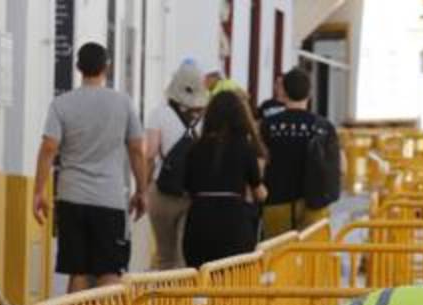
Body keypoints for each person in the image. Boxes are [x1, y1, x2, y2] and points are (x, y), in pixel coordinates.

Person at [34, 42, 146, 293]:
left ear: (78, 67)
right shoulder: (123, 103)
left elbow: (49, 147)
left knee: (78, 270)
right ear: (107, 67)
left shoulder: (61, 104)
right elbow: (137, 149)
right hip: (109, 199)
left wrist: (39, 191)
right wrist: (142, 190)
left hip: (72, 197)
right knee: (110, 270)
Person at [182, 89, 268, 268]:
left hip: (199, 223)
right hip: (234, 224)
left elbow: (187, 188)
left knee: (201, 277)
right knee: (233, 279)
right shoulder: (244, 147)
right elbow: (259, 192)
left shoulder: (195, 148)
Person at [260, 67, 339, 237]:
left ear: (283, 92)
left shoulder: (268, 125)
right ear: (310, 93)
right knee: (311, 253)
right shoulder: (324, 127)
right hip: (315, 203)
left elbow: (259, 164)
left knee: (277, 252)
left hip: (276, 201)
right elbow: (342, 167)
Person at [145, 60, 208, 270]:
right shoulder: (207, 118)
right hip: (194, 193)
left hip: (163, 191)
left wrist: (143, 188)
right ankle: (183, 291)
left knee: (165, 255)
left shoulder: (159, 113)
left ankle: (164, 290)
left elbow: (150, 153)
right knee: (185, 255)